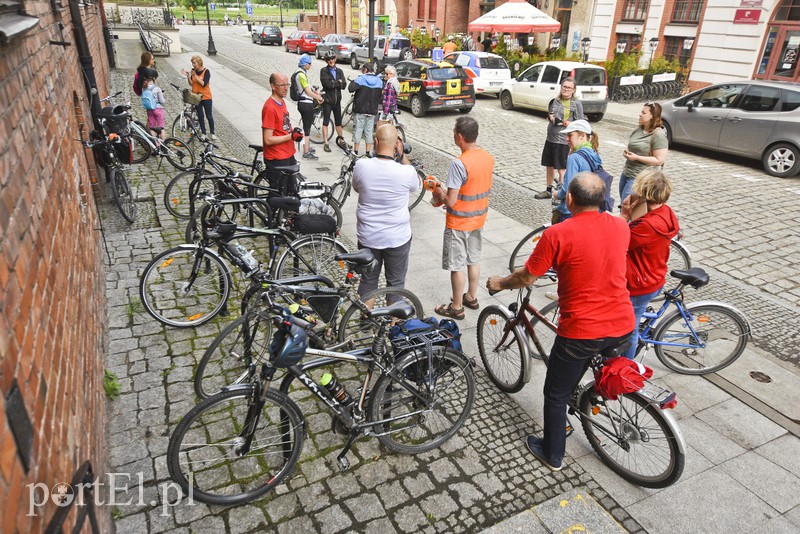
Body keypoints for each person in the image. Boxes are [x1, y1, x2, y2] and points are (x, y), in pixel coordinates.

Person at [486, 173, 635, 472]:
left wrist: (501, 283)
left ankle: (552, 453)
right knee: (580, 372)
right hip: (624, 325)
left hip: (582, 331)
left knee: (554, 393)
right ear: (604, 198)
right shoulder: (621, 226)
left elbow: (528, 276)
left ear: (569, 199)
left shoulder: (557, 234)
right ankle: (586, 399)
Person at [430, 116, 494, 320]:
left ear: (459, 137)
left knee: (457, 265)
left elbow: (451, 201)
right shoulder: (487, 157)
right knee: (473, 259)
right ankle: (471, 297)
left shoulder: (459, 163)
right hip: (479, 218)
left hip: (458, 222)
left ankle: (456, 307)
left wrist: (438, 190)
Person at [352, 124, 419, 304]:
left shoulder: (361, 165)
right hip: (397, 237)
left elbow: (356, 187)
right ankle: (394, 327)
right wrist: (403, 154)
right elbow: (416, 185)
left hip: (368, 236)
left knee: (368, 280)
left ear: (375, 141)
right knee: (396, 283)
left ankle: (365, 322)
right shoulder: (407, 171)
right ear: (397, 144)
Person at [620, 168, 679, 359]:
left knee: (628, 329)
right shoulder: (665, 211)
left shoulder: (648, 225)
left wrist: (625, 217)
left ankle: (624, 369)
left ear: (645, 194)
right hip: (653, 274)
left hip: (639, 283)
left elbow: (619, 243)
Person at [535, 77, 585, 200]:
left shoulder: (576, 104)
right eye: (564, 86)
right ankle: (548, 190)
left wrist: (570, 124)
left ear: (573, 90)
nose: (566, 89)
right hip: (550, 137)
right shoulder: (556, 100)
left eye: (569, 87)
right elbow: (551, 113)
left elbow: (581, 122)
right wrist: (551, 117)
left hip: (563, 140)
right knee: (549, 165)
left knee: (561, 168)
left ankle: (562, 192)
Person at [262, 72, 303, 196]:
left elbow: (283, 126)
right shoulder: (269, 108)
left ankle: (287, 215)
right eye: (282, 85)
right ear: (273, 86)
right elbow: (268, 139)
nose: (286, 88)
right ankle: (272, 214)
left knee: (292, 192)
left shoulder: (282, 102)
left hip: (288, 154)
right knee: (279, 195)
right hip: (277, 158)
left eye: (287, 84)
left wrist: (293, 132)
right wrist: (290, 136)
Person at [619, 102, 669, 204]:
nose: (640, 114)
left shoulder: (658, 134)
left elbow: (659, 160)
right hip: (627, 173)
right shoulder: (638, 130)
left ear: (652, 116)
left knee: (627, 207)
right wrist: (627, 152)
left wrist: (637, 157)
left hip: (640, 178)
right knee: (624, 204)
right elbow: (631, 146)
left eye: (643, 112)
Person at [552, 120, 601, 223]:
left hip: (570, 210)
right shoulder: (593, 153)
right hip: (587, 208)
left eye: (570, 135)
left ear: (582, 136)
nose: (567, 139)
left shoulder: (575, 158)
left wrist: (557, 194)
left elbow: (568, 188)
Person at [294, 54, 324, 160]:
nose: (310, 65)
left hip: (303, 103)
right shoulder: (301, 75)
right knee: (307, 129)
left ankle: (307, 146)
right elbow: (307, 91)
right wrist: (318, 98)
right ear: (305, 64)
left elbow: (308, 88)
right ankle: (306, 152)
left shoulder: (301, 73)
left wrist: (314, 92)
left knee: (306, 127)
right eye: (309, 64)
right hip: (306, 104)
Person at [348, 62, 382, 156]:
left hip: (360, 110)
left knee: (358, 130)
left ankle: (355, 151)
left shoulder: (361, 79)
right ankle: (367, 152)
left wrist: (354, 81)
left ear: (365, 70)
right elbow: (380, 97)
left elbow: (351, 88)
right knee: (369, 131)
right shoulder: (379, 81)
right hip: (371, 111)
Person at [181, 55, 217, 141]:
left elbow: (204, 83)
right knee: (200, 115)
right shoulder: (193, 71)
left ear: (200, 63)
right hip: (196, 97)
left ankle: (212, 133)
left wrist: (195, 76)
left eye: (194, 63)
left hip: (206, 97)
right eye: (192, 63)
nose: (193, 65)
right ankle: (204, 133)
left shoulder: (206, 71)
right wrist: (188, 76)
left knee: (209, 116)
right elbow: (191, 84)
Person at [319, 51, 347, 153]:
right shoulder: (324, 71)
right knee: (326, 121)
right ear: (327, 61)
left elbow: (344, 85)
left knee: (338, 122)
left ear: (335, 59)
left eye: (332, 58)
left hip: (337, 101)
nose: (331, 60)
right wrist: (337, 82)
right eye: (329, 59)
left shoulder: (339, 71)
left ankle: (341, 139)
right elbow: (327, 85)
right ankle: (326, 143)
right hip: (327, 100)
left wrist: (336, 83)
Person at [140, 67, 166, 141]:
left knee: (152, 127)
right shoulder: (157, 89)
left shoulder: (144, 88)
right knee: (161, 128)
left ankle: (155, 145)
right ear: (154, 78)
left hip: (149, 110)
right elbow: (162, 101)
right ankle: (164, 144)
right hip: (158, 109)